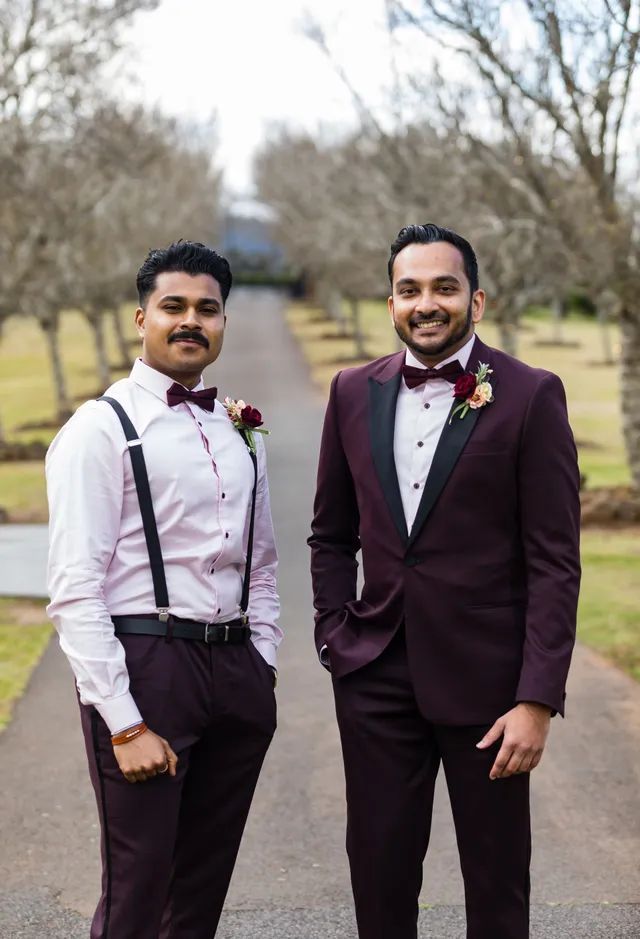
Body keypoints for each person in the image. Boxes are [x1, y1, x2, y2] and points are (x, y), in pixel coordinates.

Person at [308, 223, 581, 939]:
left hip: (491, 690)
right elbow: (330, 534)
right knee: (380, 873)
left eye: (443, 288)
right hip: (375, 676)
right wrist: (336, 634)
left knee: (496, 883)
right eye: (409, 289)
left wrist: (536, 697)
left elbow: (555, 560)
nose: (425, 303)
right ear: (391, 301)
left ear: (477, 300)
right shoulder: (348, 392)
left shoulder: (530, 396)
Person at [46, 240, 281, 939]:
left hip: (235, 670)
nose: (190, 321)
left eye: (207, 309)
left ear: (222, 322)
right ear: (140, 317)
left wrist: (261, 663)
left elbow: (262, 562)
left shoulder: (239, 429)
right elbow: (73, 590)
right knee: (138, 887)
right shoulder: (100, 429)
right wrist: (123, 719)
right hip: (148, 667)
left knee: (202, 886)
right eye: (173, 306)